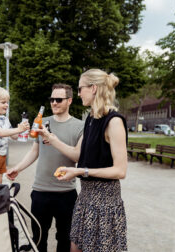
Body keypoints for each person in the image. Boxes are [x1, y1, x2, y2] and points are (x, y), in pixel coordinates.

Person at [38, 69, 128, 252]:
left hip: (105, 203)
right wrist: (52, 140)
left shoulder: (114, 121)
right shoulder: (90, 119)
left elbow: (120, 171)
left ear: (93, 88)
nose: (78, 94)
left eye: (80, 89)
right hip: (85, 199)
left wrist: (80, 171)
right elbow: (78, 154)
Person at [7, 83, 84, 252]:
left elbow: (77, 156)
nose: (54, 103)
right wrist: (18, 168)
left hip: (66, 194)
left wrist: (54, 140)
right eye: (51, 99)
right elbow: (35, 151)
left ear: (69, 100)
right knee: (38, 238)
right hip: (40, 192)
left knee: (64, 239)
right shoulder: (42, 122)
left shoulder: (80, 126)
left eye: (58, 99)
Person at [0, 86, 30, 184]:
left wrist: (21, 130)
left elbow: (14, 137)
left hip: (2, 155)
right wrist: (18, 129)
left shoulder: (5, 119)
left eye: (7, 102)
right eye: (3, 102)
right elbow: (1, 133)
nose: (6, 105)